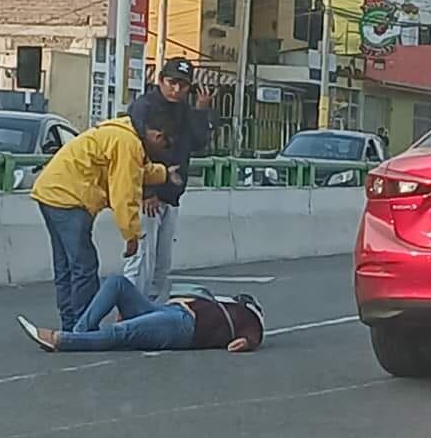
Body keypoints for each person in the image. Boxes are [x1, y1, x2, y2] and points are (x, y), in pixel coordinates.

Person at [29, 107, 181, 332]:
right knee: (83, 266)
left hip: (51, 191)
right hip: (69, 198)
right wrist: (132, 236)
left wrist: (163, 173)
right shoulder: (127, 144)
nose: (164, 151)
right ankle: (82, 327)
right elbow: (124, 194)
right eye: (166, 145)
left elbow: (137, 170)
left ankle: (71, 323)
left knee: (66, 266)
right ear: (157, 136)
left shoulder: (124, 134)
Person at [123, 57, 214, 300]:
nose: (176, 89)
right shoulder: (145, 107)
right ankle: (128, 312)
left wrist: (201, 110)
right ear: (160, 80)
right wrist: (147, 191)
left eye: (183, 85)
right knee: (141, 261)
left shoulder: (184, 109)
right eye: (172, 82)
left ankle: (147, 315)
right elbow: (134, 151)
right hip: (148, 197)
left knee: (161, 266)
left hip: (171, 195)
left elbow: (197, 143)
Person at [16, 274, 264, 354]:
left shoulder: (249, 318)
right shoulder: (221, 302)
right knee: (117, 283)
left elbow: (254, 336)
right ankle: (80, 333)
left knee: (122, 333)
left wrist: (247, 342)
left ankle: (62, 340)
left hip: (184, 327)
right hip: (170, 311)